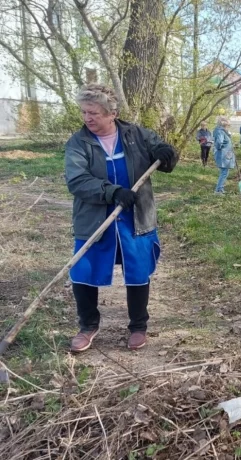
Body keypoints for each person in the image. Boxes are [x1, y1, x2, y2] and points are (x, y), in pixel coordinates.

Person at [64, 84, 178, 352]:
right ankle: (88, 326)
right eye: (84, 112)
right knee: (83, 271)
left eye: (93, 113)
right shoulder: (78, 142)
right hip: (94, 218)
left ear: (111, 113)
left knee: (138, 271)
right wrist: (113, 192)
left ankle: (138, 326)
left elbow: (164, 155)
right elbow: (77, 180)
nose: (87, 118)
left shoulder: (136, 135)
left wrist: (168, 154)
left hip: (135, 217)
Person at [214, 116, 235, 194]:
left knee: (225, 172)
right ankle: (218, 190)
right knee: (224, 172)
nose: (228, 126)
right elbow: (219, 143)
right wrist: (224, 149)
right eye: (227, 125)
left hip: (226, 154)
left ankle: (221, 188)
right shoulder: (220, 131)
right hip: (223, 155)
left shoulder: (223, 131)